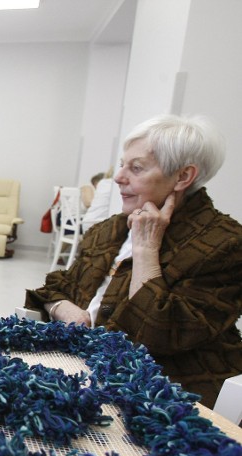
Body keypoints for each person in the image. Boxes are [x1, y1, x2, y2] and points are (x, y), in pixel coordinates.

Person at [25, 114, 242, 408]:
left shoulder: (225, 244)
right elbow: (56, 286)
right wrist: (65, 309)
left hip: (167, 396)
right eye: (122, 164)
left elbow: (156, 336)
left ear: (183, 177)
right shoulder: (110, 229)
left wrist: (145, 250)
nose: (118, 177)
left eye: (136, 168)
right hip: (83, 371)